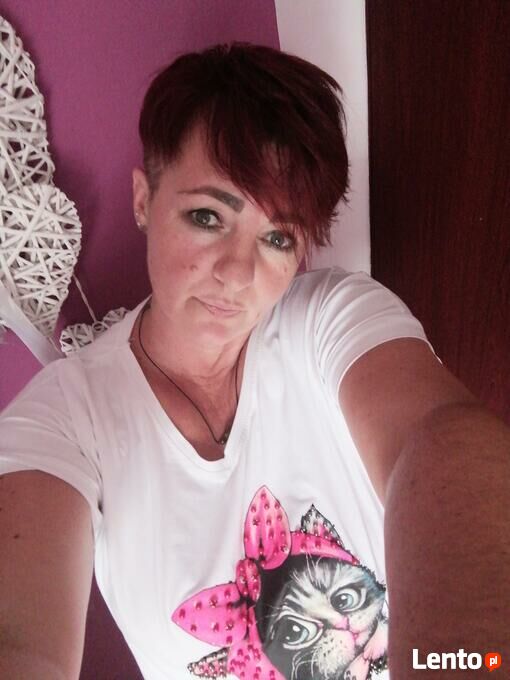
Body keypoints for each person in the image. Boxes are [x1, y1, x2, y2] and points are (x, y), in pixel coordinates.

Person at [0, 43, 509, 680]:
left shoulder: (327, 319)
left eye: (277, 237)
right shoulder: (66, 418)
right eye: (207, 216)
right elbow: (20, 642)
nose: (238, 273)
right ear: (143, 199)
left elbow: (440, 438)